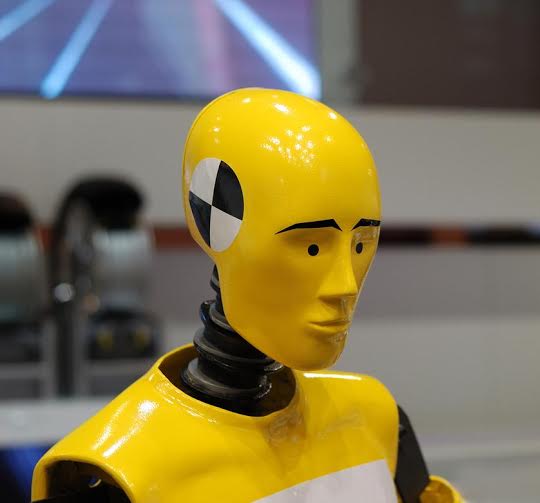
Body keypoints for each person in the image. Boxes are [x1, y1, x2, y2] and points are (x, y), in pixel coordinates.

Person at [32, 88, 461, 503]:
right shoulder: (123, 471)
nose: (344, 285)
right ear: (213, 223)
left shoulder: (373, 419)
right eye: (312, 247)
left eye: (361, 244)